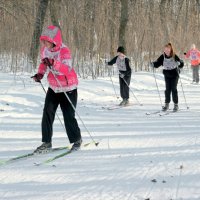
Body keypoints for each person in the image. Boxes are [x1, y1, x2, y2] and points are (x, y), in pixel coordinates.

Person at [32, 25, 82, 153]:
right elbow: (43, 64)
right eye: (43, 41)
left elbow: (67, 69)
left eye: (46, 41)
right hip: (54, 87)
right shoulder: (45, 50)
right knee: (47, 113)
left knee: (68, 116)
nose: (44, 43)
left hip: (68, 87)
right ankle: (46, 142)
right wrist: (40, 74)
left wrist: (54, 63)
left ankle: (77, 140)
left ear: (54, 40)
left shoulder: (64, 51)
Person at [150, 43, 184, 111]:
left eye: (168, 49)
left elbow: (181, 64)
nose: (166, 51)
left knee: (173, 88)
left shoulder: (174, 55)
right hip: (167, 74)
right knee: (167, 89)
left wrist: (180, 63)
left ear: (170, 49)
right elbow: (158, 63)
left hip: (174, 74)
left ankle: (176, 105)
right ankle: (167, 104)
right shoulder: (162, 56)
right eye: (165, 49)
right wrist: (153, 64)